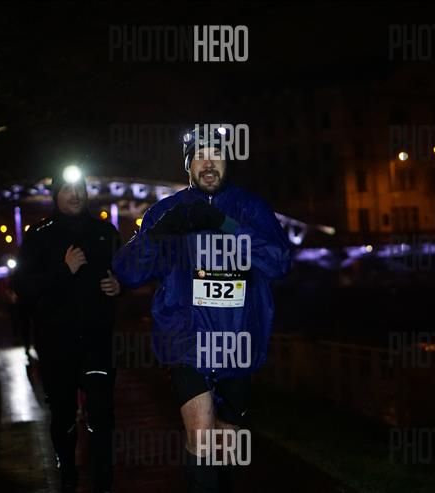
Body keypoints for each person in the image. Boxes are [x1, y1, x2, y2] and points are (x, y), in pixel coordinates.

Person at [112, 126, 291, 492]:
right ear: (188, 165)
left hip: (238, 342)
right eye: (199, 156)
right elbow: (128, 272)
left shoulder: (250, 208)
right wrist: (154, 236)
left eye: (216, 155)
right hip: (186, 340)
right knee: (201, 437)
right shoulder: (167, 211)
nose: (208, 163)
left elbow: (279, 263)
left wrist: (226, 226)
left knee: (227, 443)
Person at [13, 165, 121, 493]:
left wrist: (119, 286)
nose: (75, 195)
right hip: (56, 344)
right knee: (63, 416)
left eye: (80, 189)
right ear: (55, 195)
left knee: (101, 413)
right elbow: (23, 287)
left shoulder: (105, 232)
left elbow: (124, 273)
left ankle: (103, 480)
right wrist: (64, 270)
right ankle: (68, 474)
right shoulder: (39, 235)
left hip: (97, 342)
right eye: (67, 189)